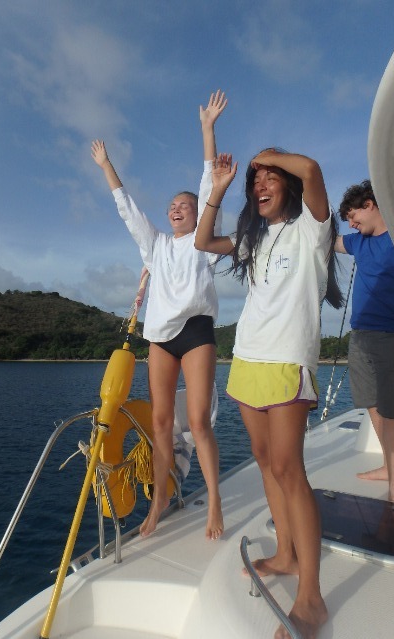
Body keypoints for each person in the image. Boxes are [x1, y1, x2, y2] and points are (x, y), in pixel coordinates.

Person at [195, 149, 344, 639]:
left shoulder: (311, 228)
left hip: (287, 362)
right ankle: (285, 554)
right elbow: (202, 240)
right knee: (264, 461)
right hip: (246, 360)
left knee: (288, 468)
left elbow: (313, 170)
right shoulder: (252, 239)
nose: (259, 184)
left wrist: (268, 154)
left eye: (269, 178)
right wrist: (218, 190)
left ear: (288, 185)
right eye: (254, 180)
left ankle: (312, 598)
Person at [91, 90, 227, 540]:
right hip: (161, 338)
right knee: (162, 423)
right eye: (172, 206)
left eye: (184, 206)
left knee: (200, 420)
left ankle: (215, 503)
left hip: (197, 330)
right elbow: (127, 209)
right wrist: (106, 165)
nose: (175, 209)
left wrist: (207, 129)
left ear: (197, 214)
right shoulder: (156, 246)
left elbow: (208, 185)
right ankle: (160, 501)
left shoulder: (203, 241)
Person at [335, 180, 394, 500]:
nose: (351, 224)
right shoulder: (358, 242)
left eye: (352, 215)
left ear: (369, 204)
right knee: (372, 405)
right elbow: (328, 241)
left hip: (389, 335)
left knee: (390, 409)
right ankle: (389, 465)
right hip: (359, 336)